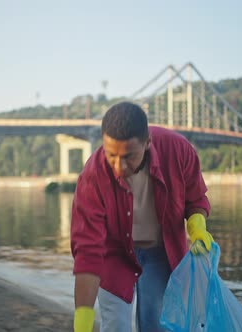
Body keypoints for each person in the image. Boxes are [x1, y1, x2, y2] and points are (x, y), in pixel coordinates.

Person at [70, 101, 214, 332]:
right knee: (116, 325)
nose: (118, 166)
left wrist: (197, 228)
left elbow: (195, 198)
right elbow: (87, 252)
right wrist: (82, 325)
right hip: (114, 253)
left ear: (147, 143)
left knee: (156, 325)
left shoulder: (178, 150)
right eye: (111, 155)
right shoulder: (92, 176)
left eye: (128, 156)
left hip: (161, 253)